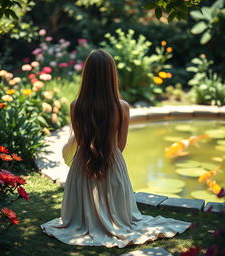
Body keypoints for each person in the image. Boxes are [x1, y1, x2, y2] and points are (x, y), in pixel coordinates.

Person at [41, 49, 191, 248]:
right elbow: (121, 144)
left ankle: (84, 219)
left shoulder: (75, 106)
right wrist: (108, 151)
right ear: (111, 76)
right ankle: (114, 217)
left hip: (82, 166)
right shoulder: (122, 107)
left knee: (79, 216)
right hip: (113, 164)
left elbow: (79, 139)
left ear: (86, 76)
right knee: (125, 216)